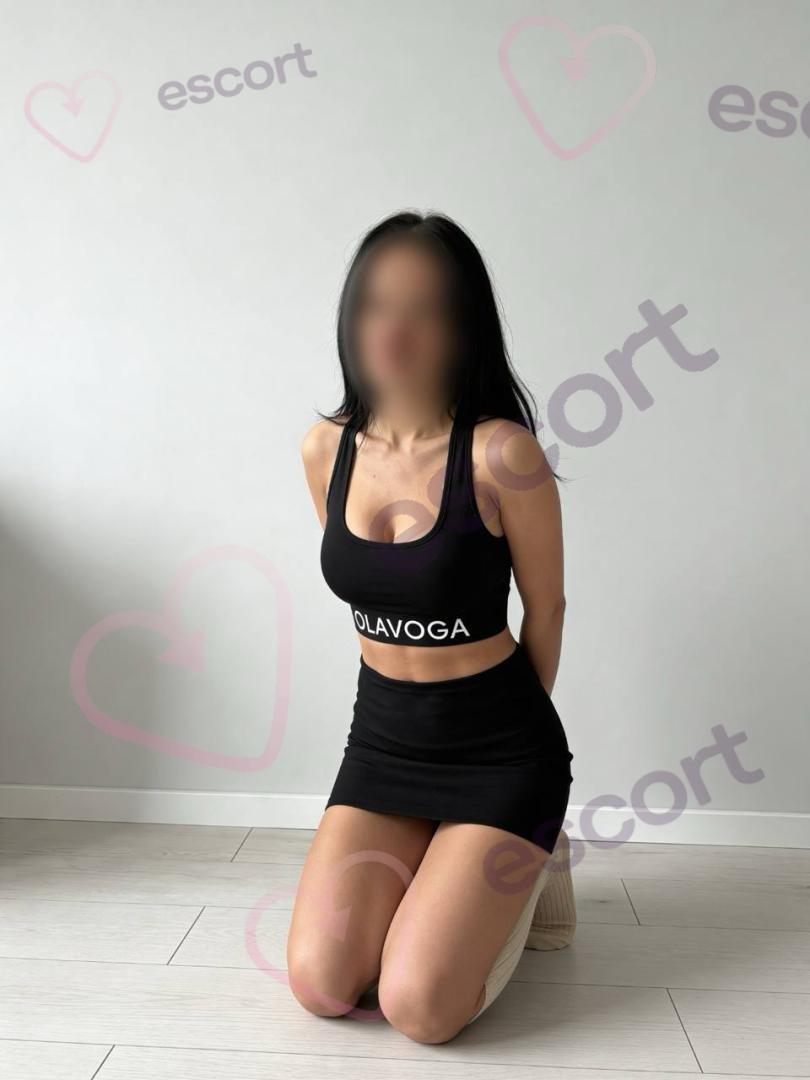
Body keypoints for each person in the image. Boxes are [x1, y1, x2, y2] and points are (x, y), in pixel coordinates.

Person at [291, 209, 576, 1043]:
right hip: (384, 746)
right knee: (322, 985)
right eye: (376, 305)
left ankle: (529, 853)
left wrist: (516, 746)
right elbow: (374, 595)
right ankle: (442, 865)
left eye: (424, 310)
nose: (394, 331)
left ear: (464, 328)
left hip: (502, 754)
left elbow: (547, 609)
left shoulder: (501, 455)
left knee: (418, 1007)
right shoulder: (324, 450)